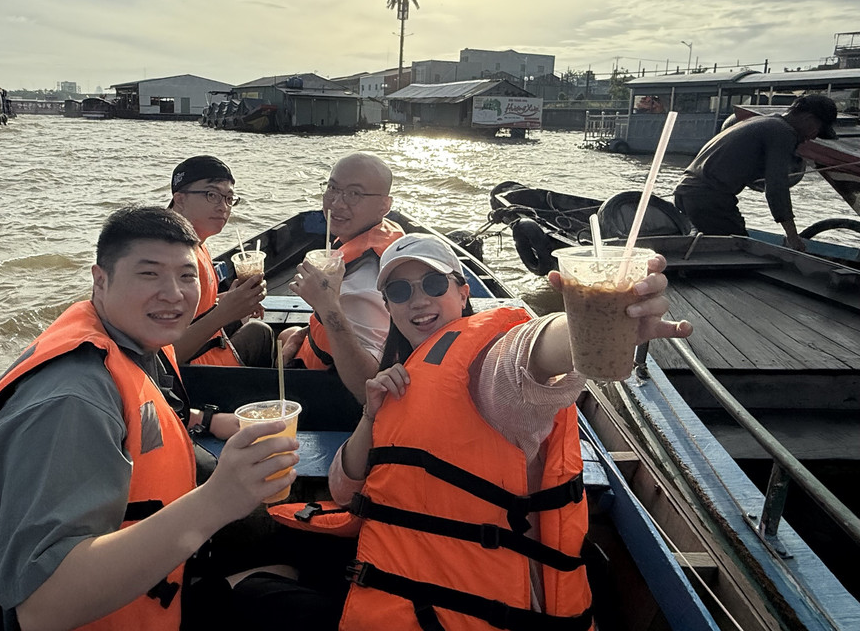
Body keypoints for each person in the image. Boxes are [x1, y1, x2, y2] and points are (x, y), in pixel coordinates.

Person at [0, 206, 300, 631]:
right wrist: (217, 501)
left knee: (290, 567)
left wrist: (206, 422)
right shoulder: (71, 401)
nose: (173, 293)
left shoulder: (131, 341)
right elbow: (42, 609)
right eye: (149, 274)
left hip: (151, 589)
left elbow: (148, 415)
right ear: (101, 279)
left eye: (187, 276)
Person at [329, 235, 693, 630]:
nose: (417, 300)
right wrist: (372, 414)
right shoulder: (401, 378)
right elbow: (343, 490)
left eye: (433, 285)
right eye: (399, 291)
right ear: (388, 307)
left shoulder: (489, 367)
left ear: (463, 292)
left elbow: (528, 357)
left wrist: (589, 324)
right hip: (410, 599)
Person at [280, 152, 405, 402]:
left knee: (256, 334)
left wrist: (326, 306)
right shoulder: (371, 237)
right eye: (332, 188)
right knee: (285, 334)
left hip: (327, 396)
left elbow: (367, 388)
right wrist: (303, 334)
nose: (337, 203)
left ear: (384, 206)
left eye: (354, 194)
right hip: (322, 358)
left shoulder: (365, 283)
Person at [674, 94, 838, 251]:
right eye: (818, 131)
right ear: (808, 119)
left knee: (718, 247)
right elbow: (776, 188)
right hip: (707, 198)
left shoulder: (762, 121)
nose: (813, 137)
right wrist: (792, 236)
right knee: (738, 250)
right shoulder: (783, 132)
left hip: (685, 191)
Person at [168, 155, 274, 367]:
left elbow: (196, 309)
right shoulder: (169, 256)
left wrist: (232, 300)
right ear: (180, 199)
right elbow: (162, 358)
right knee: (262, 334)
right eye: (212, 195)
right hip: (198, 378)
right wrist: (224, 313)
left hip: (214, 353)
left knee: (259, 331)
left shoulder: (196, 241)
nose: (223, 207)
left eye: (228, 198)